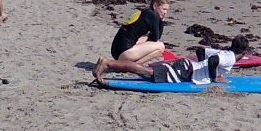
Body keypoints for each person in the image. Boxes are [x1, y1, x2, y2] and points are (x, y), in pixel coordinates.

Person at [96, 36, 249, 87]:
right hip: (185, 71)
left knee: (148, 74)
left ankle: (107, 63)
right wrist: (213, 77)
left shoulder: (224, 52)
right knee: (148, 73)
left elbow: (201, 51)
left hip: (187, 67)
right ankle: (107, 63)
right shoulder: (229, 58)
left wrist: (201, 68)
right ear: (243, 53)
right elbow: (214, 60)